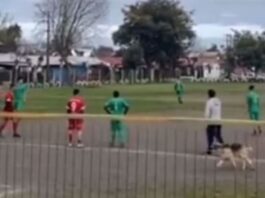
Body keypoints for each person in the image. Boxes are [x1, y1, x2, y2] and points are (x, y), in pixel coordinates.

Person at [205, 89, 224, 155]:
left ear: (209, 95)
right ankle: (224, 148)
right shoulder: (218, 100)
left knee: (210, 134)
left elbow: (207, 113)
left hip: (212, 121)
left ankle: (210, 148)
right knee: (218, 135)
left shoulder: (209, 101)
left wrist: (206, 119)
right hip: (219, 120)